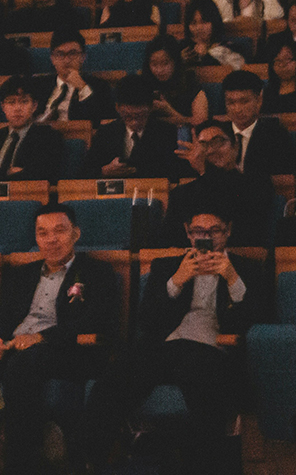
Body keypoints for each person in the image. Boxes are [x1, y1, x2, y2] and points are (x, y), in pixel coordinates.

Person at [80, 202, 265, 475]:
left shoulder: (246, 268)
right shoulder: (166, 266)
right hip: (168, 347)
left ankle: (204, 466)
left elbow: (257, 321)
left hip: (214, 350)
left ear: (228, 232)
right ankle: (92, 459)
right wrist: (176, 281)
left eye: (215, 230)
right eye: (199, 231)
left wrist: (232, 278)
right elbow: (147, 321)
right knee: (118, 372)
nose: (207, 237)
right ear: (188, 234)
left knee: (198, 371)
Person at [0, 204, 117, 474]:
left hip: (66, 350)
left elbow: (94, 321)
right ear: (36, 238)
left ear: (76, 234)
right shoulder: (22, 274)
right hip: (17, 349)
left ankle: (19, 463)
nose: (51, 239)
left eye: (59, 231)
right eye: (43, 233)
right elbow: (3, 318)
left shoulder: (97, 272)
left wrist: (40, 337)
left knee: (24, 365)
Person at [164, 122, 274, 248]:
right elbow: (170, 240)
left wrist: (204, 172)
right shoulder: (181, 194)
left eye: (218, 142)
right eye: (203, 145)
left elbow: (242, 231)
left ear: (236, 146)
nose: (210, 150)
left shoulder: (256, 185)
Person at [83, 75, 180, 180]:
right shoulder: (106, 133)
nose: (134, 122)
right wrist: (105, 171)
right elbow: (85, 173)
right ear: (118, 108)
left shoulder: (165, 132)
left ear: (151, 108)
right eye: (128, 116)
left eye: (140, 116)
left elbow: (172, 173)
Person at [0, 76, 63, 183]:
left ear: (34, 106)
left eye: (24, 102)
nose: (17, 108)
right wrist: (8, 172)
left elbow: (38, 175)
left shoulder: (48, 137)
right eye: (11, 102)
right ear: (3, 107)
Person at [32, 29, 116, 126]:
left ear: (83, 57)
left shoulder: (99, 86)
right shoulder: (38, 85)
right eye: (60, 54)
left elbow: (99, 121)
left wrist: (83, 88)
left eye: (72, 53)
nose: (67, 60)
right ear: (53, 59)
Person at [222, 68, 295, 176]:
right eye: (231, 103)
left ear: (259, 100)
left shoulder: (275, 135)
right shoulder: (218, 134)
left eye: (244, 102)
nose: (237, 109)